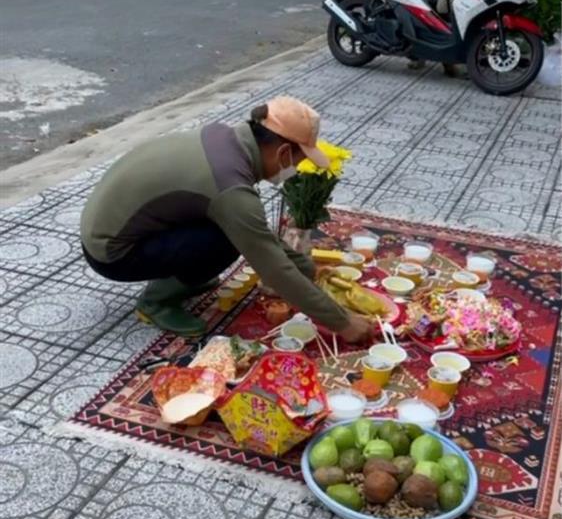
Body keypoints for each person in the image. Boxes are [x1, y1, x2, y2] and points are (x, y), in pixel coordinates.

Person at [80, 97, 374, 344]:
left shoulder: (225, 137)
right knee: (225, 241)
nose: (295, 170)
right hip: (111, 254)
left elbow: (258, 233)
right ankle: (156, 302)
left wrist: (310, 268)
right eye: (297, 162)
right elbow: (272, 267)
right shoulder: (231, 187)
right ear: (283, 151)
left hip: (113, 227)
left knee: (233, 228)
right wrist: (343, 323)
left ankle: (182, 277)